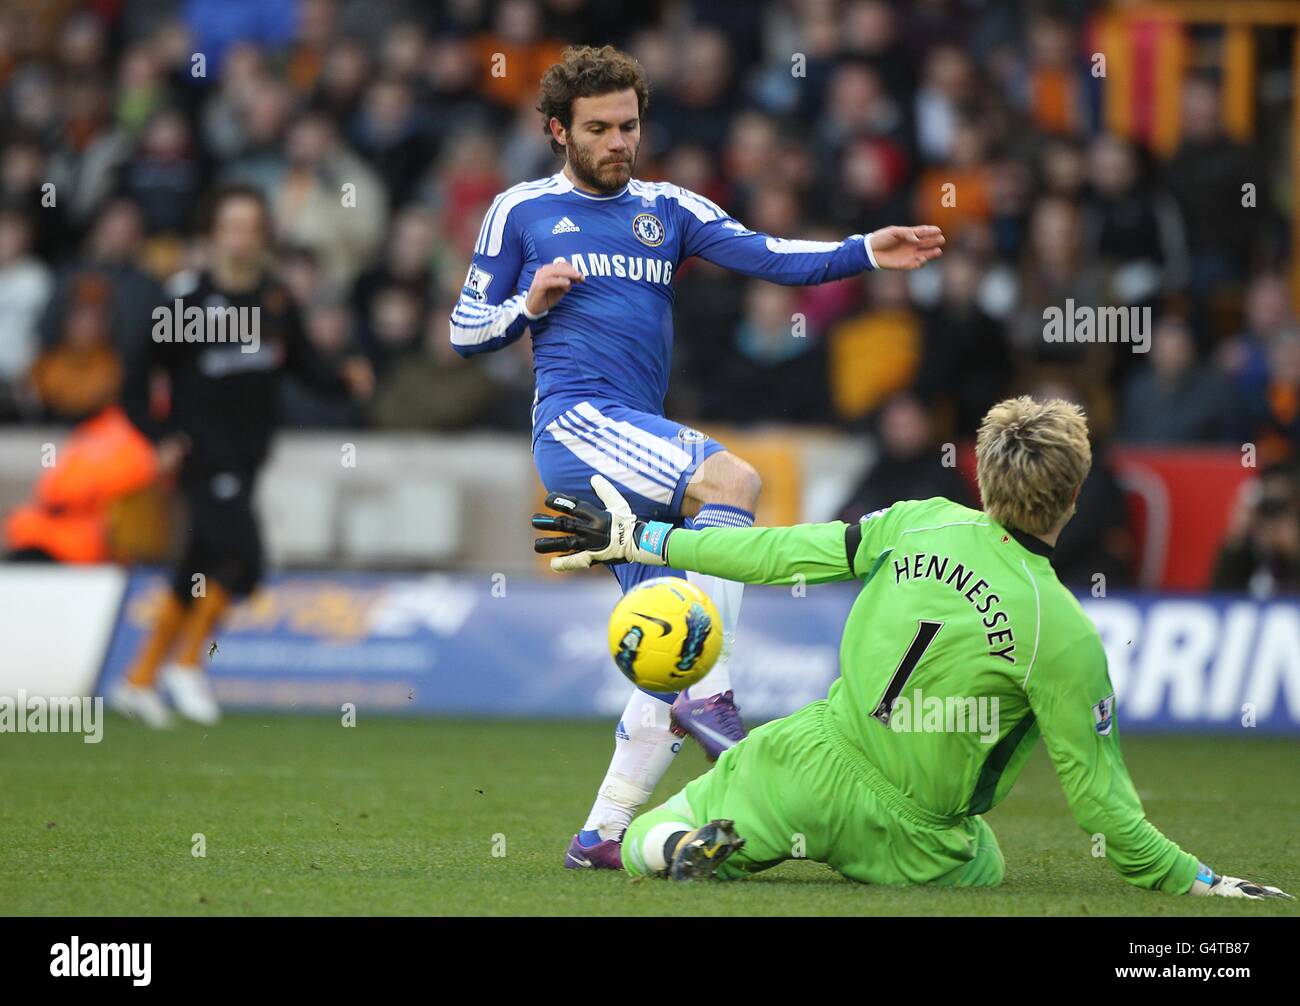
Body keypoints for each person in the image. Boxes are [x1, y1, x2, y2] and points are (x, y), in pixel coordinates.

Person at [451, 44, 945, 869]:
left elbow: (770, 254)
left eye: (629, 126)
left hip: (634, 433)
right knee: (733, 480)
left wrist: (864, 249)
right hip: (576, 426)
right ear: (556, 131)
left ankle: (600, 833)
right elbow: (464, 331)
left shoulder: (667, 207)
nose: (618, 142)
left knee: (665, 637)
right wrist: (524, 304)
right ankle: (711, 693)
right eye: (599, 128)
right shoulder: (520, 212)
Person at [534, 396, 1291, 899]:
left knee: (640, 839)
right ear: (1074, 495)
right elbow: (1106, 814)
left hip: (802, 760)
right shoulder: (1060, 630)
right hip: (914, 838)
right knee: (985, 858)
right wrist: (1202, 881)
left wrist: (646, 538)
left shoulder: (916, 520)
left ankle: (675, 849)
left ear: (981, 476)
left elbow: (775, 555)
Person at [110, 183, 373, 729]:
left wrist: (345, 378)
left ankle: (137, 681)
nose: (241, 238)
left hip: (250, 453)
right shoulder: (185, 301)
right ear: (212, 233)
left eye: (251, 227)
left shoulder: (274, 300)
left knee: (197, 568)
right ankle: (186, 665)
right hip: (202, 454)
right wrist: (159, 434)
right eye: (231, 226)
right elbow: (134, 382)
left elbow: (303, 366)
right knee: (243, 556)